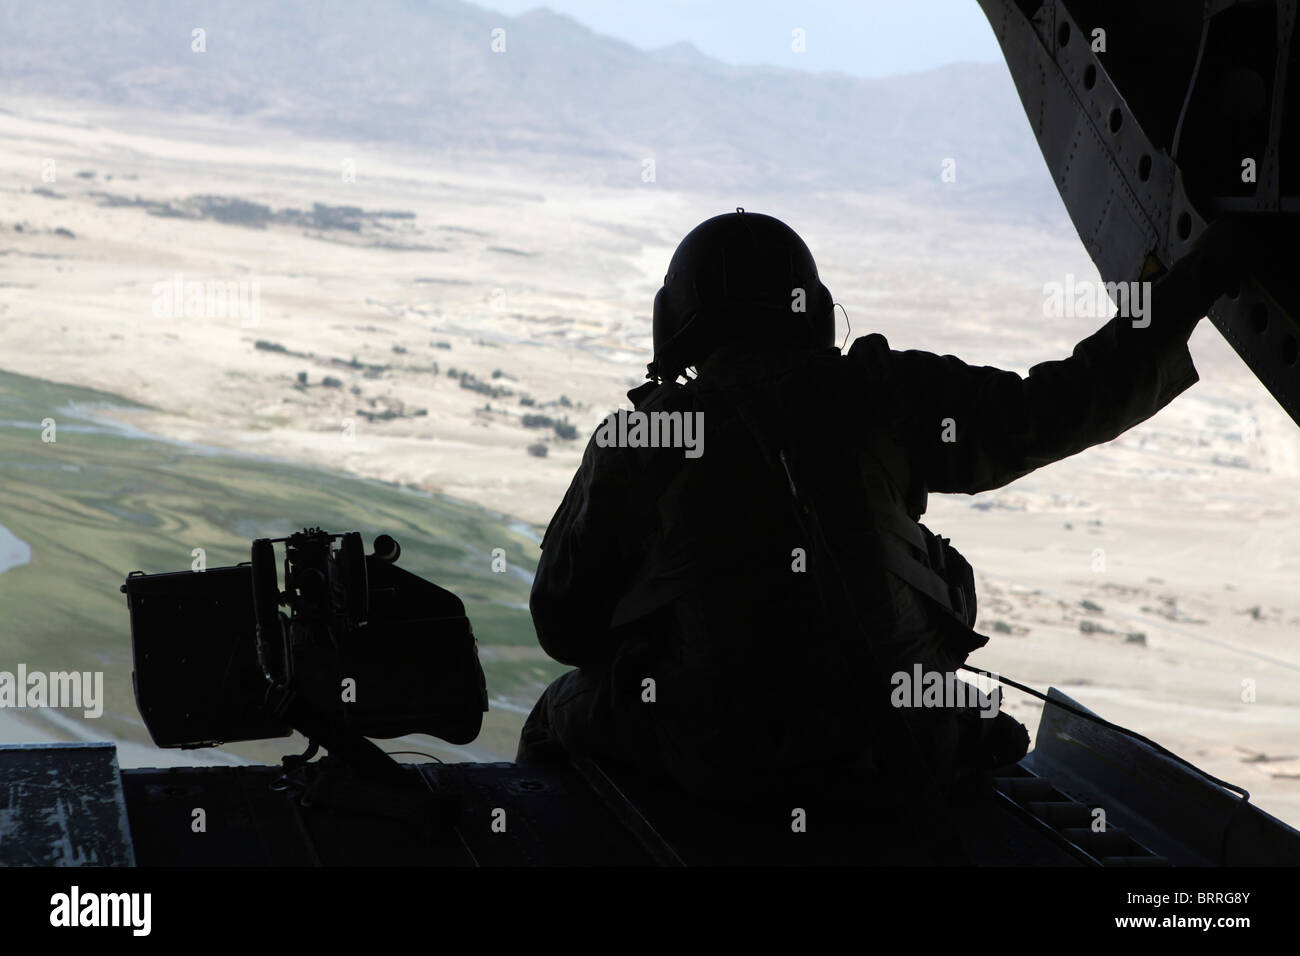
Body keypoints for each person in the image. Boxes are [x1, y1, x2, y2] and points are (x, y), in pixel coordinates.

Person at [516, 209, 1238, 850]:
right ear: (815, 309)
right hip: (910, 748)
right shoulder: (884, 392)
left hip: (720, 760)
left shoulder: (649, 436)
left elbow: (565, 629)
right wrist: (1196, 279)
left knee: (557, 714)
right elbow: (1066, 403)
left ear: (675, 322)